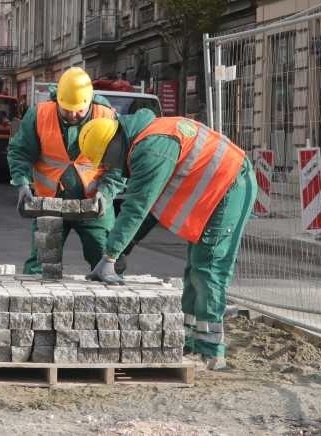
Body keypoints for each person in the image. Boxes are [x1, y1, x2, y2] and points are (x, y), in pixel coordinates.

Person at [78, 109, 258, 369]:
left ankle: (211, 351)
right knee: (194, 268)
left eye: (107, 160)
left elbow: (139, 206)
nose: (111, 167)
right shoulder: (145, 141)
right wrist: (123, 249)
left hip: (231, 185)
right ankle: (187, 341)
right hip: (218, 188)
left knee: (208, 267)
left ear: (113, 145)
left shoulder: (151, 149)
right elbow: (150, 208)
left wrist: (110, 255)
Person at [8, 67, 126, 274]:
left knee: (107, 264)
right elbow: (20, 152)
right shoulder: (40, 114)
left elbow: (118, 167)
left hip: (94, 204)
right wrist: (22, 183)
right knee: (42, 267)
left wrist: (105, 193)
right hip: (50, 204)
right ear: (58, 100)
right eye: (66, 109)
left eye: (79, 110)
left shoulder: (107, 117)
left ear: (89, 101)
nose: (72, 115)